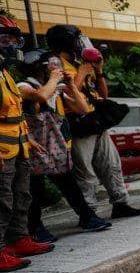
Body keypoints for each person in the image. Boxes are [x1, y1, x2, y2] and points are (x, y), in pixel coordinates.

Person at [45, 25, 140, 218]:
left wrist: (98, 72)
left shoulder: (78, 62)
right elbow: (67, 92)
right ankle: (89, 212)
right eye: (75, 40)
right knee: (85, 172)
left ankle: (120, 203)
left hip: (94, 120)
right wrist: (81, 73)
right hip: (77, 123)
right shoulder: (55, 64)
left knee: (111, 164)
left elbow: (102, 94)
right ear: (66, 42)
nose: (79, 44)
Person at [17, 49, 112, 242]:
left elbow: (83, 109)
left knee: (68, 183)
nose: (55, 68)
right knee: (34, 189)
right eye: (50, 66)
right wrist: (54, 80)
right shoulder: (23, 85)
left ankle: (87, 217)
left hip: (52, 146)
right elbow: (41, 97)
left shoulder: (54, 88)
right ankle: (35, 228)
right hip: (32, 145)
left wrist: (70, 84)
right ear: (39, 68)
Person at [0, 17, 55, 271]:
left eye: (13, 37)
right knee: (2, 200)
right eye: (5, 37)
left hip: (18, 147)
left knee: (21, 196)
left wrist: (29, 139)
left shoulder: (6, 75)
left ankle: (18, 239)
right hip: (3, 151)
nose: (11, 43)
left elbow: (14, 114)